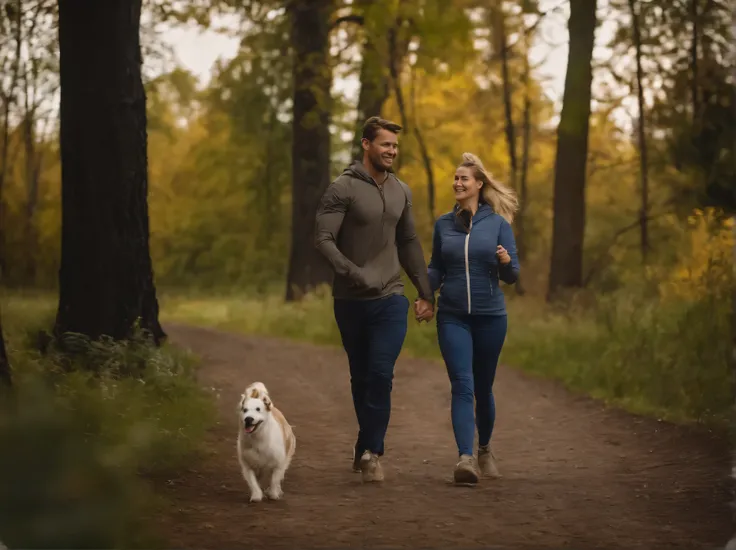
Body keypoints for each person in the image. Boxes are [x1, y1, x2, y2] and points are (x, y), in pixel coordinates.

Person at [314, 116, 435, 483]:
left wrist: (425, 291)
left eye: (395, 146)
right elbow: (323, 239)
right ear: (366, 145)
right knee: (361, 375)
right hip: (350, 300)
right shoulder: (342, 188)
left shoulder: (401, 190)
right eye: (385, 144)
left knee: (381, 373)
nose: (391, 151)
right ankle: (365, 441)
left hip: (390, 296)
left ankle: (371, 451)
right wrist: (352, 272)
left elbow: (409, 242)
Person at [418, 152, 520, 485]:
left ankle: (486, 447)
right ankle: (466, 457)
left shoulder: (498, 225)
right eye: (456, 178)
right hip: (453, 316)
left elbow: (513, 276)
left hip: (491, 317)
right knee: (462, 385)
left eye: (464, 179)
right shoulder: (443, 225)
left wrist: (504, 261)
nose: (457, 183)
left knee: (483, 387)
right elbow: (436, 267)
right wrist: (424, 293)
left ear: (479, 185)